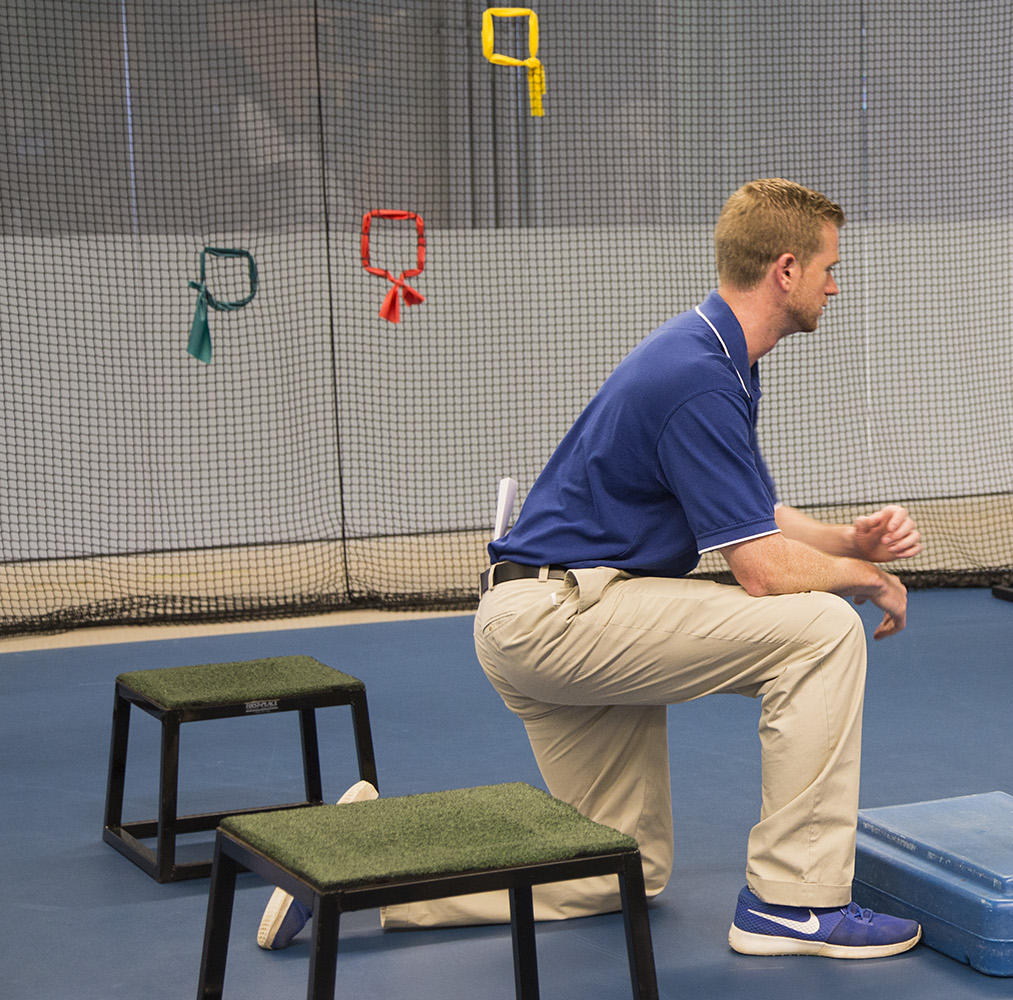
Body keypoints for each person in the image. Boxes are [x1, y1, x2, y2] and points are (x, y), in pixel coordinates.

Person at [253, 178, 925, 960]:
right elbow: (763, 572)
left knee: (618, 871)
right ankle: (793, 905)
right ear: (784, 270)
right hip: (561, 618)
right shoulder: (700, 375)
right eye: (828, 268)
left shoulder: (715, 354)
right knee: (821, 630)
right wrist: (865, 583)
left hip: (549, 615)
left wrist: (848, 544)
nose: (834, 285)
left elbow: (756, 517)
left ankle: (353, 863)